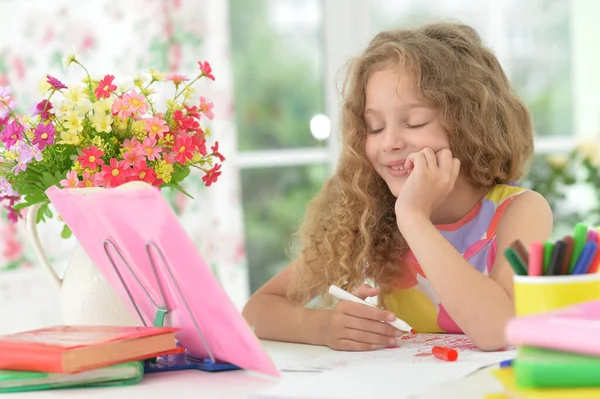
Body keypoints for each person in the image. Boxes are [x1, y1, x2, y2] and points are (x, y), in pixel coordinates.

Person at [242, 22, 553, 352]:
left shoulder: (519, 211)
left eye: (414, 122)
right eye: (375, 127)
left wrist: (414, 218)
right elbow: (257, 311)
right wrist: (326, 327)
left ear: (470, 125)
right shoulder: (367, 216)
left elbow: (498, 332)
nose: (389, 142)